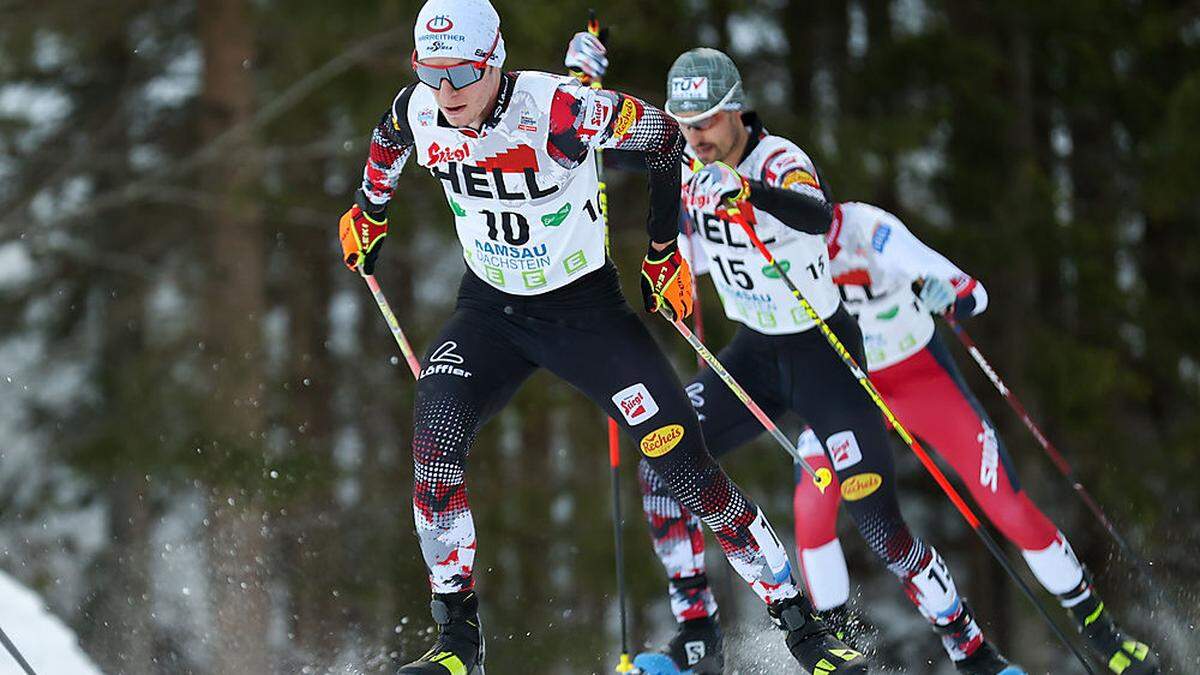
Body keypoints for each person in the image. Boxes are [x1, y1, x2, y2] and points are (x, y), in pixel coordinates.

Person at [337, 2, 868, 673]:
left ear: (494, 60)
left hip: (584, 313)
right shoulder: (421, 107)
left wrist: (663, 249)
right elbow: (388, 140)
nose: (446, 93)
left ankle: (803, 628)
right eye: (430, 71)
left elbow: (666, 143)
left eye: (463, 72)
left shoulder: (562, 110)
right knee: (433, 446)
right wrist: (368, 210)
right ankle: (458, 642)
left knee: (684, 467)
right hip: (489, 312)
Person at [566, 43, 1021, 675]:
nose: (695, 137)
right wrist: (580, 82)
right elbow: (583, 148)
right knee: (662, 462)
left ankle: (970, 649)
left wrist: (747, 191)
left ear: (738, 111)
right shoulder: (683, 155)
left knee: (875, 516)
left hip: (822, 352)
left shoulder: (779, 159)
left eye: (707, 122)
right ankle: (698, 636)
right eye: (685, 124)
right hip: (753, 354)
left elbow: (817, 213)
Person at [789, 201, 1159, 675]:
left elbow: (971, 292)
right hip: (846, 390)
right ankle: (835, 645)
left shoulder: (872, 232)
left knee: (1005, 504)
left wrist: (949, 295)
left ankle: (1103, 633)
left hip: (919, 378)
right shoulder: (770, 242)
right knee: (812, 507)